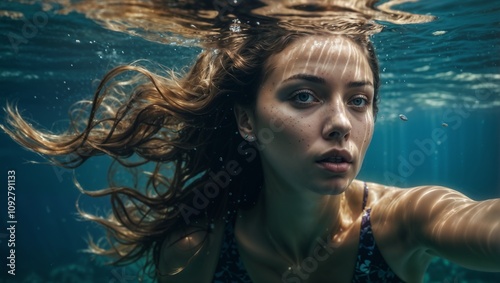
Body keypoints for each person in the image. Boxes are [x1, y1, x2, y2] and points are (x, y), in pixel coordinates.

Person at [2, 23, 499, 283]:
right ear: (246, 120)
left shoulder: (406, 222)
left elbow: (480, 224)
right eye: (304, 95)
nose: (341, 123)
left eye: (359, 100)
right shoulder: (196, 251)